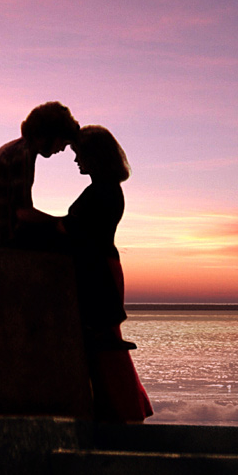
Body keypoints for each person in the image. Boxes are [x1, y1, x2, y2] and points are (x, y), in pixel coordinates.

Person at [62, 125, 153, 423]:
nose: (76, 161)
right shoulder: (104, 188)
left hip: (99, 270)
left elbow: (77, 231)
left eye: (80, 155)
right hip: (100, 267)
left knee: (107, 342)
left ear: (94, 156)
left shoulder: (103, 191)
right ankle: (124, 409)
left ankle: (127, 411)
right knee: (105, 343)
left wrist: (43, 223)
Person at [0, 102, 79, 250]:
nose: (62, 149)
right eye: (63, 141)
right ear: (49, 134)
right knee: (80, 241)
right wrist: (60, 222)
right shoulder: (22, 156)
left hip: (7, 235)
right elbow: (23, 213)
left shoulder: (16, 150)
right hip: (13, 238)